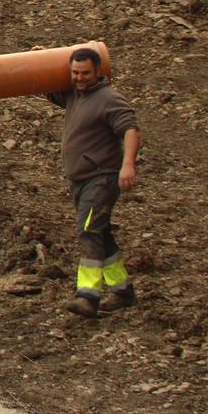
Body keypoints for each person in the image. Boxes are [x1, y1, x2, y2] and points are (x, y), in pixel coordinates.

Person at [45, 47, 141, 318]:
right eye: (74, 73)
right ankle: (123, 292)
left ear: (98, 72)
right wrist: (40, 59)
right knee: (100, 233)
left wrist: (128, 165)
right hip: (80, 180)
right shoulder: (76, 95)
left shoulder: (108, 99)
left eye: (85, 73)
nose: (79, 78)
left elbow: (130, 129)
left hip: (102, 177)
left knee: (88, 230)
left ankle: (88, 295)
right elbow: (46, 87)